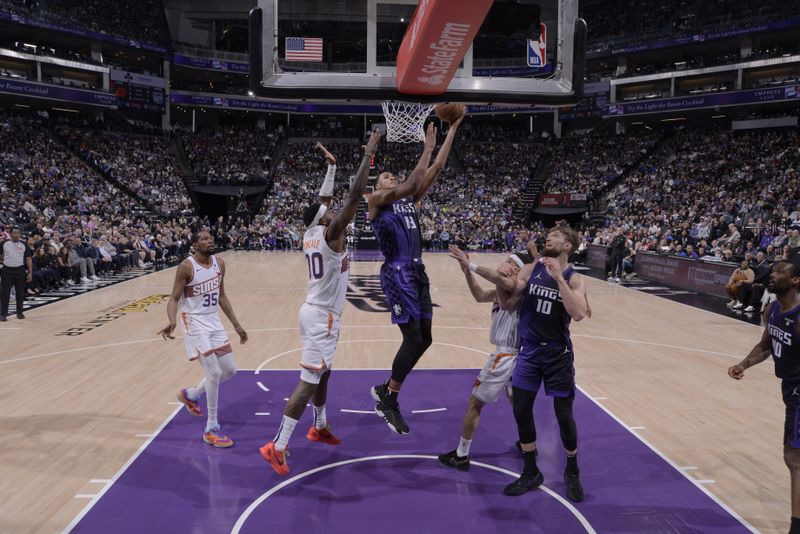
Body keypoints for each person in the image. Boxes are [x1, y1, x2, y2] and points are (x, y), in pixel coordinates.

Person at [261, 131, 381, 476]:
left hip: (315, 311)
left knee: (323, 372)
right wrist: (368, 155)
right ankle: (278, 446)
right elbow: (355, 195)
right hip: (322, 316)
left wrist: (331, 166)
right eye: (328, 212)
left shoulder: (312, 231)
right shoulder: (331, 233)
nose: (332, 212)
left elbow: (322, 200)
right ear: (324, 220)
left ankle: (320, 424)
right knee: (309, 381)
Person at [472, 221, 589, 502]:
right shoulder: (532, 268)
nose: (549, 237)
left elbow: (579, 313)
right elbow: (509, 284)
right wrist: (474, 266)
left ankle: (572, 469)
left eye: (555, 236)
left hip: (557, 354)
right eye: (549, 234)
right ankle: (530, 470)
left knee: (563, 416)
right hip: (530, 352)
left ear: (568, 246)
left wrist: (559, 279)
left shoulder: (574, 277)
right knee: (521, 409)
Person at [367, 112, 465, 435]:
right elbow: (412, 179)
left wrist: (450, 132)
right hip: (397, 274)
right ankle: (389, 400)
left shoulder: (408, 200)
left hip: (417, 270)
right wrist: (425, 148)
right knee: (412, 338)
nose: (391, 179)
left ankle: (386, 389)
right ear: (377, 186)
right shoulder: (376, 202)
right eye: (385, 177)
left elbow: (435, 169)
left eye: (393, 177)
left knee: (426, 338)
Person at [437, 245, 532, 470]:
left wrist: (471, 264)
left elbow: (504, 288)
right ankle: (529, 444)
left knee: (475, 402)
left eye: (510, 261)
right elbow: (480, 295)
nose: (505, 262)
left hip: (505, 355)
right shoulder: (504, 289)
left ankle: (461, 454)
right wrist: (466, 272)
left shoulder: (517, 289)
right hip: (516, 356)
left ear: (517, 271)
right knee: (517, 403)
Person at [728, 259, 800, 533]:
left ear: (796, 281)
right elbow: (765, 345)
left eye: (781, 271)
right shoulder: (772, 309)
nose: (773, 274)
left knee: (794, 459)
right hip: (790, 388)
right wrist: (743, 364)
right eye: (774, 270)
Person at [158, 230, 248, 448]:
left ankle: (190, 394)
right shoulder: (186, 267)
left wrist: (237, 325)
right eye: (204, 239)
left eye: (211, 238)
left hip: (213, 321)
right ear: (195, 245)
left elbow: (222, 295)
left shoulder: (220, 264)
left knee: (229, 370)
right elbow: (174, 298)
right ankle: (211, 428)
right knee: (214, 373)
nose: (210, 241)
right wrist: (171, 321)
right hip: (193, 322)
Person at [0, 227, 33, 321]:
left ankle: (19, 312)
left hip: (20, 271)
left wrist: (30, 273)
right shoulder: (4, 243)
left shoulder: (24, 244)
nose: (16, 234)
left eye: (18, 233)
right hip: (7, 271)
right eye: (14, 233)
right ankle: (3, 314)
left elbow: (28, 259)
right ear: (10, 234)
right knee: (5, 293)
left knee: (20, 293)